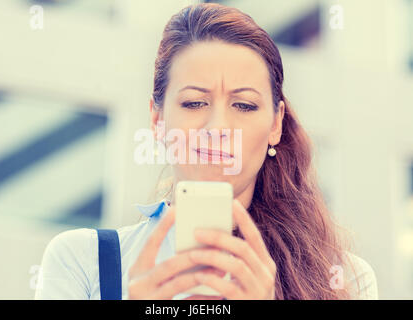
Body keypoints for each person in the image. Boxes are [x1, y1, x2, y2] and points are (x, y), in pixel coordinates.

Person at [35, 2, 378, 300]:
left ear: (276, 125)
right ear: (157, 119)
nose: (217, 129)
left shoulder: (345, 278)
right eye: (195, 102)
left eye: (243, 105)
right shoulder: (82, 260)